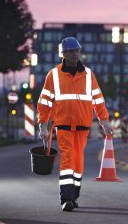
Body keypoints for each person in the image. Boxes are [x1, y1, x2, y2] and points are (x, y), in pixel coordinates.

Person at [37, 37, 113, 212]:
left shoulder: (88, 75)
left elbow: (98, 100)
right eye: (71, 51)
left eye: (77, 51)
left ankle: (74, 194)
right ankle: (66, 198)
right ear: (63, 54)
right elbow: (45, 102)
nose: (75, 54)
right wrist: (43, 125)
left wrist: (104, 121)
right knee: (67, 158)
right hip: (63, 125)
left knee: (78, 162)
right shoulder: (54, 75)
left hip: (82, 126)